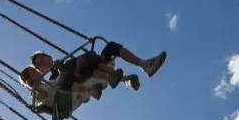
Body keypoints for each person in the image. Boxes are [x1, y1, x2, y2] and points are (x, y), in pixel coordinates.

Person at [31, 42, 166, 95]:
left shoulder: (64, 61)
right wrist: (61, 70)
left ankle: (145, 65)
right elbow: (65, 85)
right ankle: (124, 79)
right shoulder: (51, 79)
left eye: (43, 56)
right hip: (84, 75)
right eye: (41, 61)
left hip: (93, 64)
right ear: (40, 69)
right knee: (84, 63)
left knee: (111, 47)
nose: (45, 59)